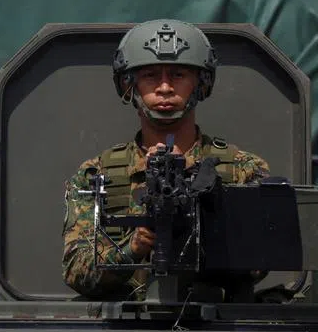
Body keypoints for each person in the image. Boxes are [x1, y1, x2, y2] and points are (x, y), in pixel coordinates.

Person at [60, 19, 270, 300]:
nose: (165, 87)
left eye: (178, 74)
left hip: (217, 330)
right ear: (127, 83)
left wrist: (203, 220)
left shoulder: (243, 170)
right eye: (150, 75)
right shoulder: (96, 175)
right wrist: (133, 248)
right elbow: (77, 270)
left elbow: (260, 261)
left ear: (202, 83)